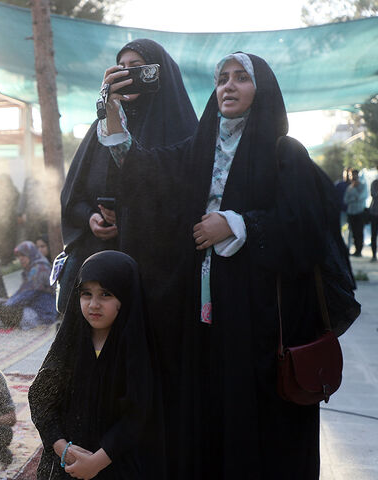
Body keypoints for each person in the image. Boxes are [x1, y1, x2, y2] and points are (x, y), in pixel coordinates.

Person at [102, 52, 344, 479]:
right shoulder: (199, 149)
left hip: (262, 319)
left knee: (260, 422)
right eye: (221, 80)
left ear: (261, 89)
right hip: (207, 317)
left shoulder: (285, 152)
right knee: (211, 413)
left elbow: (306, 227)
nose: (228, 86)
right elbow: (146, 173)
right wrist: (114, 113)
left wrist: (236, 224)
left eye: (240, 78)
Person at [58, 39, 198, 314]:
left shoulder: (180, 133)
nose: (126, 75)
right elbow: (72, 197)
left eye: (136, 68)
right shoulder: (102, 129)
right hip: (96, 268)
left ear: (160, 74)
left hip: (153, 274)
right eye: (121, 68)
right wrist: (91, 217)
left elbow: (181, 201)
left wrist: (128, 219)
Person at [29, 251, 163, 479]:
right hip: (66, 463)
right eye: (86, 294)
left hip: (117, 463)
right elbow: (41, 399)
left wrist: (96, 462)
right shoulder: (71, 343)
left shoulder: (135, 349)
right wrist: (63, 448)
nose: (93, 304)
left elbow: (138, 416)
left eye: (106, 295)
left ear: (126, 297)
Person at [0, 241, 57, 329]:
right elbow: (22, 291)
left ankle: (7, 321)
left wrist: (8, 305)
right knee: (6, 308)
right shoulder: (31, 268)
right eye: (19, 256)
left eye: (23, 255)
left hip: (43, 313)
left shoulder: (39, 268)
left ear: (31, 254)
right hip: (33, 306)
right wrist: (8, 303)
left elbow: (28, 293)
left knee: (9, 311)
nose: (20, 259)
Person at [344, 168, 368, 256]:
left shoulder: (363, 186)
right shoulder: (349, 188)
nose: (352, 177)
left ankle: (359, 250)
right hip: (351, 212)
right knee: (353, 232)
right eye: (351, 175)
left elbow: (361, 197)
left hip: (360, 212)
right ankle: (355, 250)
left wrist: (354, 192)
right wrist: (353, 196)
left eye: (354, 175)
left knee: (359, 232)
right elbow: (346, 200)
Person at [370, 178, 378, 262]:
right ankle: (373, 255)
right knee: (374, 235)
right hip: (374, 213)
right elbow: (374, 194)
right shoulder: (375, 182)